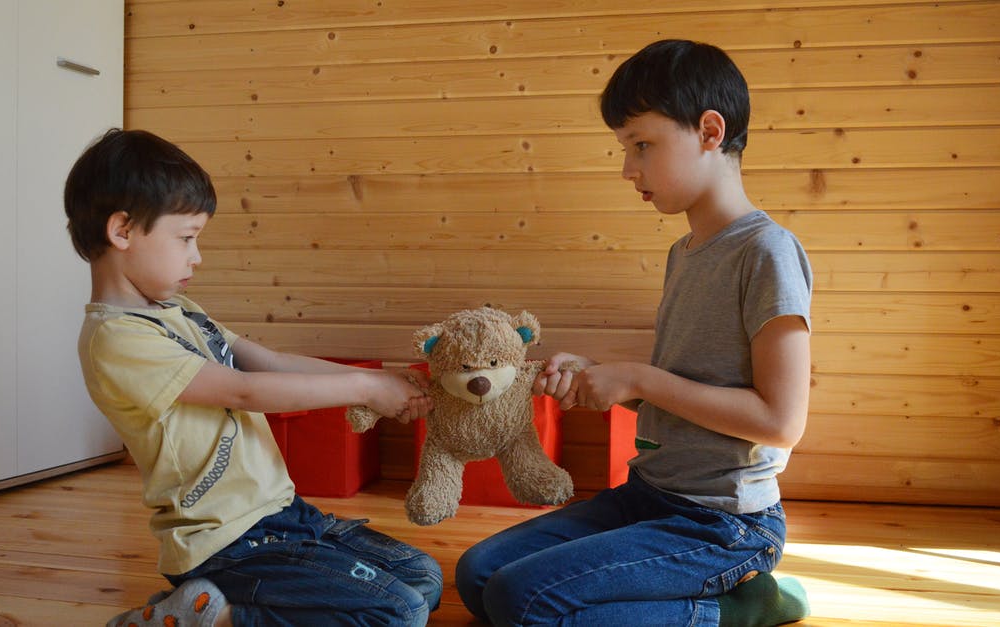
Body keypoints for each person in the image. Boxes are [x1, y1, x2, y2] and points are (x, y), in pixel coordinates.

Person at [454, 39, 813, 626]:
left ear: (709, 131)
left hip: (724, 522)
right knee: (479, 576)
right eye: (626, 149)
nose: (629, 169)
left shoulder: (767, 252)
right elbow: (692, 386)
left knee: (522, 601)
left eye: (642, 145)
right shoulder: (685, 253)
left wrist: (639, 376)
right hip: (648, 496)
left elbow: (780, 421)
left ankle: (735, 610)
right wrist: (609, 379)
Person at [65, 128, 442, 626]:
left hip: (283, 516)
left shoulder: (178, 310)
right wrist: (364, 389)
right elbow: (245, 391)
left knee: (422, 577)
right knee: (401, 613)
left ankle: (214, 607)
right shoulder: (115, 339)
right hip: (225, 542)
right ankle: (219, 618)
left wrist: (378, 380)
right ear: (123, 230)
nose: (196, 256)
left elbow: (269, 361)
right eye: (186, 238)